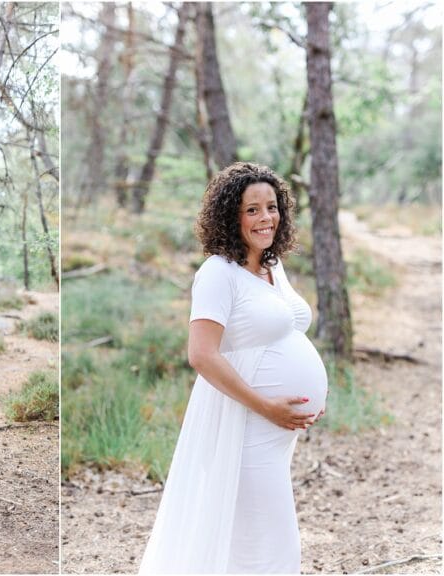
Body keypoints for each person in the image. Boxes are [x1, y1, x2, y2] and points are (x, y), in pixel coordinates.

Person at [139, 162, 328, 574]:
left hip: (274, 429)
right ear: (231, 215)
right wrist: (266, 405)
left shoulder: (272, 267)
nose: (266, 218)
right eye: (252, 210)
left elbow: (282, 335)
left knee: (255, 536)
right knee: (270, 540)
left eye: (272, 207)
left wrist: (309, 398)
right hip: (247, 424)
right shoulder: (217, 273)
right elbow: (202, 355)